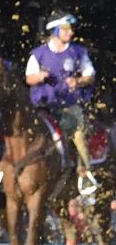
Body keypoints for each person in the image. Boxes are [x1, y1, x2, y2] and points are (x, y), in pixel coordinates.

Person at [25, 12, 98, 197]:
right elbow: (29, 78)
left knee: (79, 132)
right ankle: (3, 166)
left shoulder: (79, 52)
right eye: (66, 29)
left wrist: (79, 81)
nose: (71, 33)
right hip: (42, 106)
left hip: (68, 106)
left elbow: (90, 74)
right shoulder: (38, 53)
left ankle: (84, 172)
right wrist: (39, 77)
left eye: (71, 29)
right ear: (55, 30)